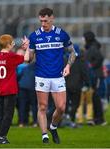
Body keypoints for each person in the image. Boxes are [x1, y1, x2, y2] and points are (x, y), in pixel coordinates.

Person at [28, 8, 76, 144]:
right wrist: (27, 49)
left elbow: (73, 52)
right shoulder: (34, 36)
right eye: (41, 21)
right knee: (42, 107)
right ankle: (44, 135)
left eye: (45, 20)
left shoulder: (62, 34)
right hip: (42, 76)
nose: (43, 24)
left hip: (58, 76)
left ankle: (53, 127)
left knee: (61, 107)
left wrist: (68, 66)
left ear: (52, 18)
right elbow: (29, 59)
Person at [0, 34, 29, 144]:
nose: (13, 44)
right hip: (10, 90)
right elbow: (26, 58)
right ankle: (2, 136)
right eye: (12, 42)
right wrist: (27, 47)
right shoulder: (11, 56)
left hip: (0, 89)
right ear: (8, 44)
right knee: (8, 114)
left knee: (1, 114)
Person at [83, 31, 106, 125]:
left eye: (84, 37)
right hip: (94, 75)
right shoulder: (92, 47)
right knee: (93, 97)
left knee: (96, 97)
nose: (82, 39)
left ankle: (100, 119)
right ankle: (96, 118)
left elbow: (100, 58)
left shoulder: (93, 48)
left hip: (96, 76)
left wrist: (91, 66)